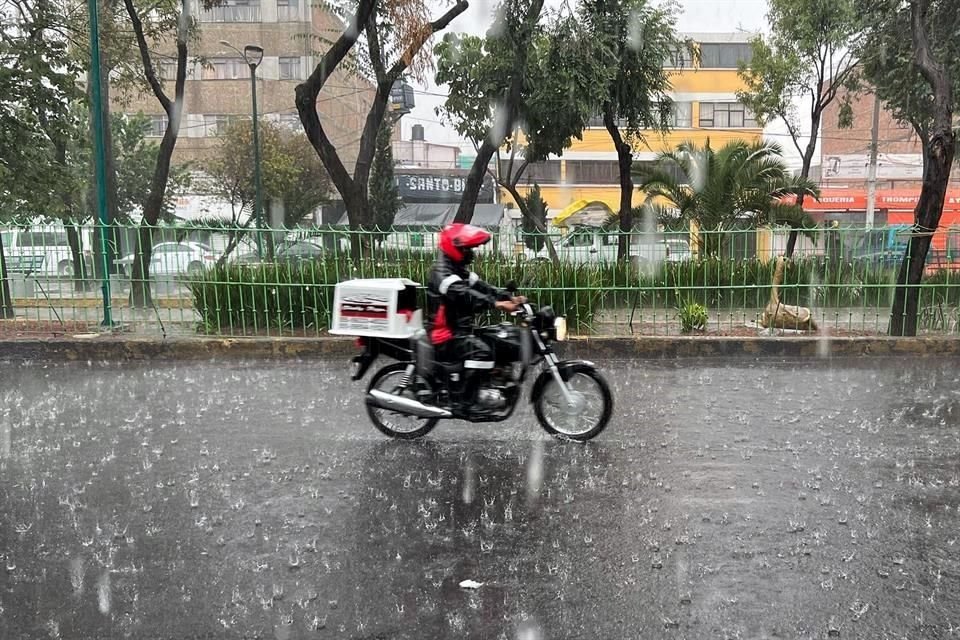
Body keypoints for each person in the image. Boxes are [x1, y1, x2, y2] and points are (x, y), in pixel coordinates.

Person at [426, 223, 525, 402]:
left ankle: (493, 381)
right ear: (456, 248)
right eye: (467, 249)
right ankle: (467, 400)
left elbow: (483, 288)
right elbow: (466, 295)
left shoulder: (459, 270)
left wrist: (508, 297)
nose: (471, 253)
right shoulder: (442, 273)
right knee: (483, 352)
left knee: (499, 339)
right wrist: (498, 305)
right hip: (446, 334)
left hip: (462, 329)